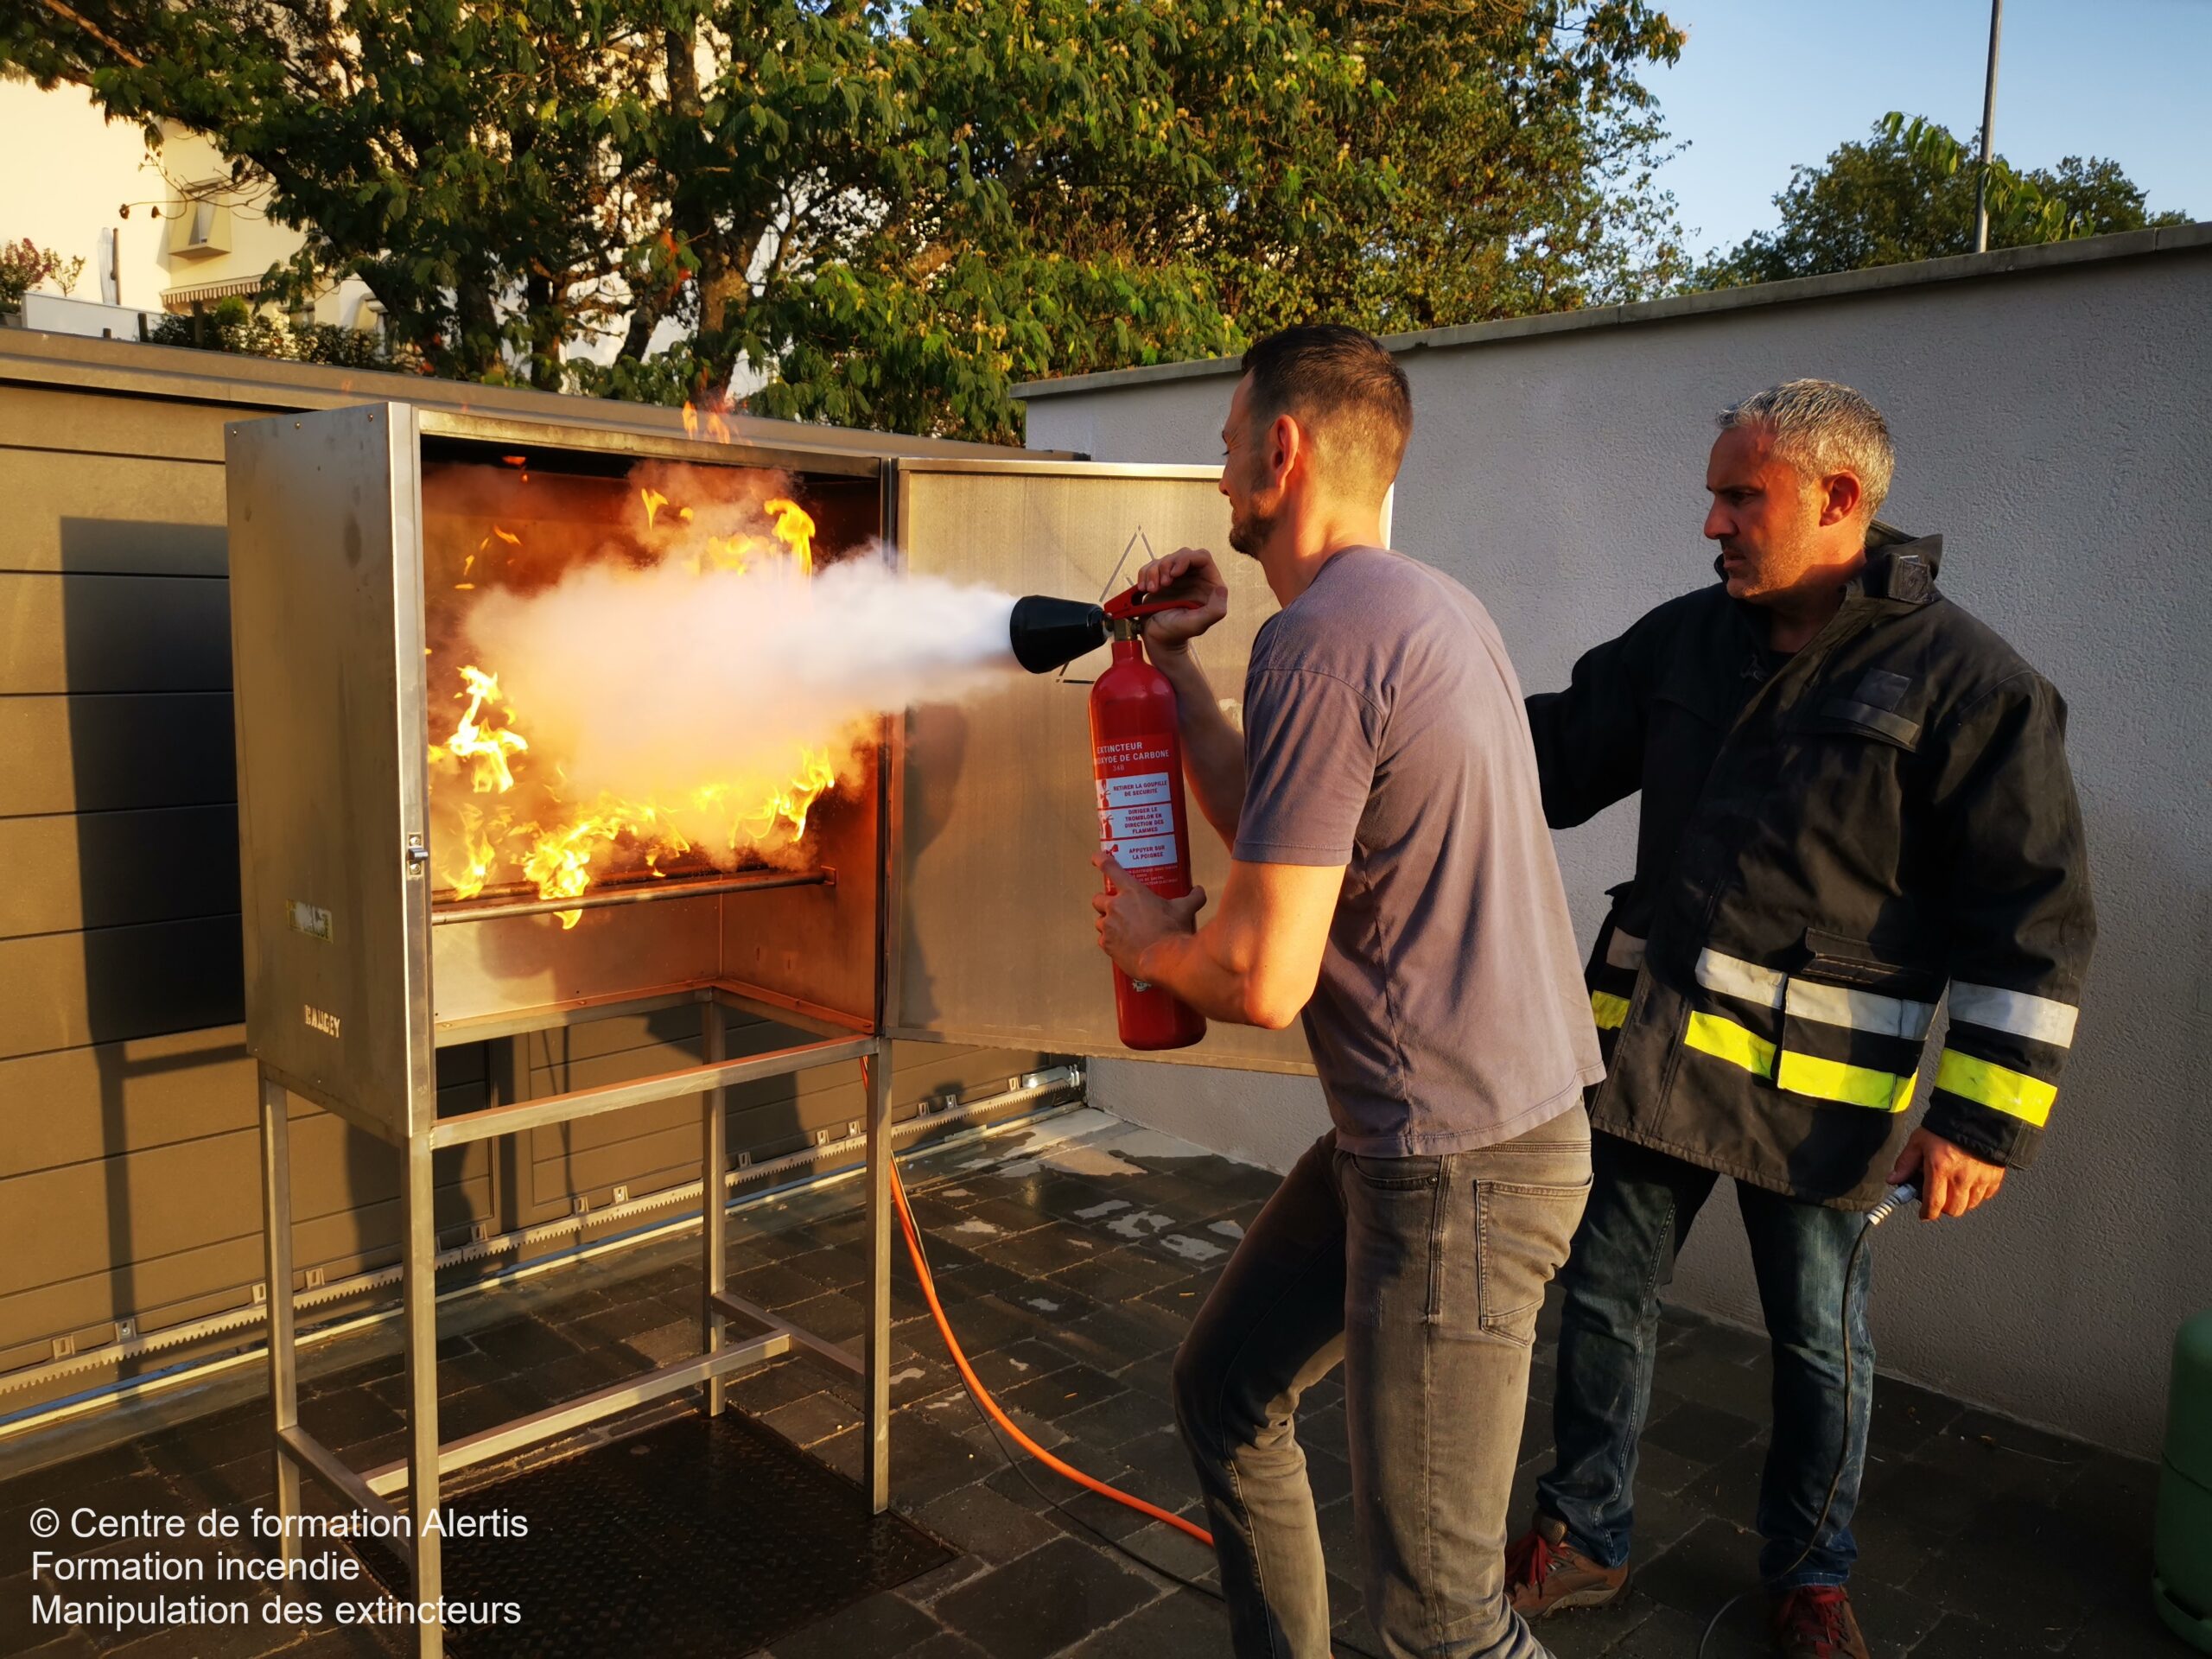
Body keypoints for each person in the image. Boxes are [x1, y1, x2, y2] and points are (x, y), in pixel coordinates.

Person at [1505, 380, 2096, 1659]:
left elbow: (2032, 918)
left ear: (1840, 500)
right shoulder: (1686, 641)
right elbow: (1543, 756)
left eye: (1739, 496)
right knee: (1604, 1303)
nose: (1711, 523)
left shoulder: (1972, 687)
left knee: (1820, 1351)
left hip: (1821, 1106)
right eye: (1713, 493)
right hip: (1654, 1068)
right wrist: (1411, 711)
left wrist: (1981, 1122)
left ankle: (1812, 1576)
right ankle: (1586, 1529)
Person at [1091, 323, 1604, 1659]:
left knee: (1443, 1624)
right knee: (1225, 1390)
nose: (1216, 477)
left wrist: (1149, 947)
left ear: (1284, 447)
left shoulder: (1324, 641)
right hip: (1435, 1138)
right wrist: (1183, 662)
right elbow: (1278, 838)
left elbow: (1263, 972)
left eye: (1223, 444)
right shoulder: (1417, 605)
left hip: (1461, 1170)